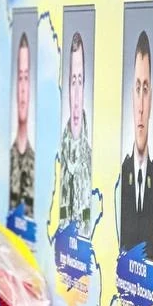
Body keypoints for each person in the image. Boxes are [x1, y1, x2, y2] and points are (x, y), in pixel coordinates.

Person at [120, 31, 153, 260]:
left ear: (151, 96)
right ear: (131, 96)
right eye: (137, 88)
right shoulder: (119, 175)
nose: (141, 107)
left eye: (145, 89)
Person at [58, 31, 93, 235]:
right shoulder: (59, 155)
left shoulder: (90, 155)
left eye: (80, 81)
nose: (77, 94)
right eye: (73, 82)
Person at [9, 33, 35, 217]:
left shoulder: (34, 160)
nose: (23, 88)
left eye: (27, 78)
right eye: (20, 78)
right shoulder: (9, 156)